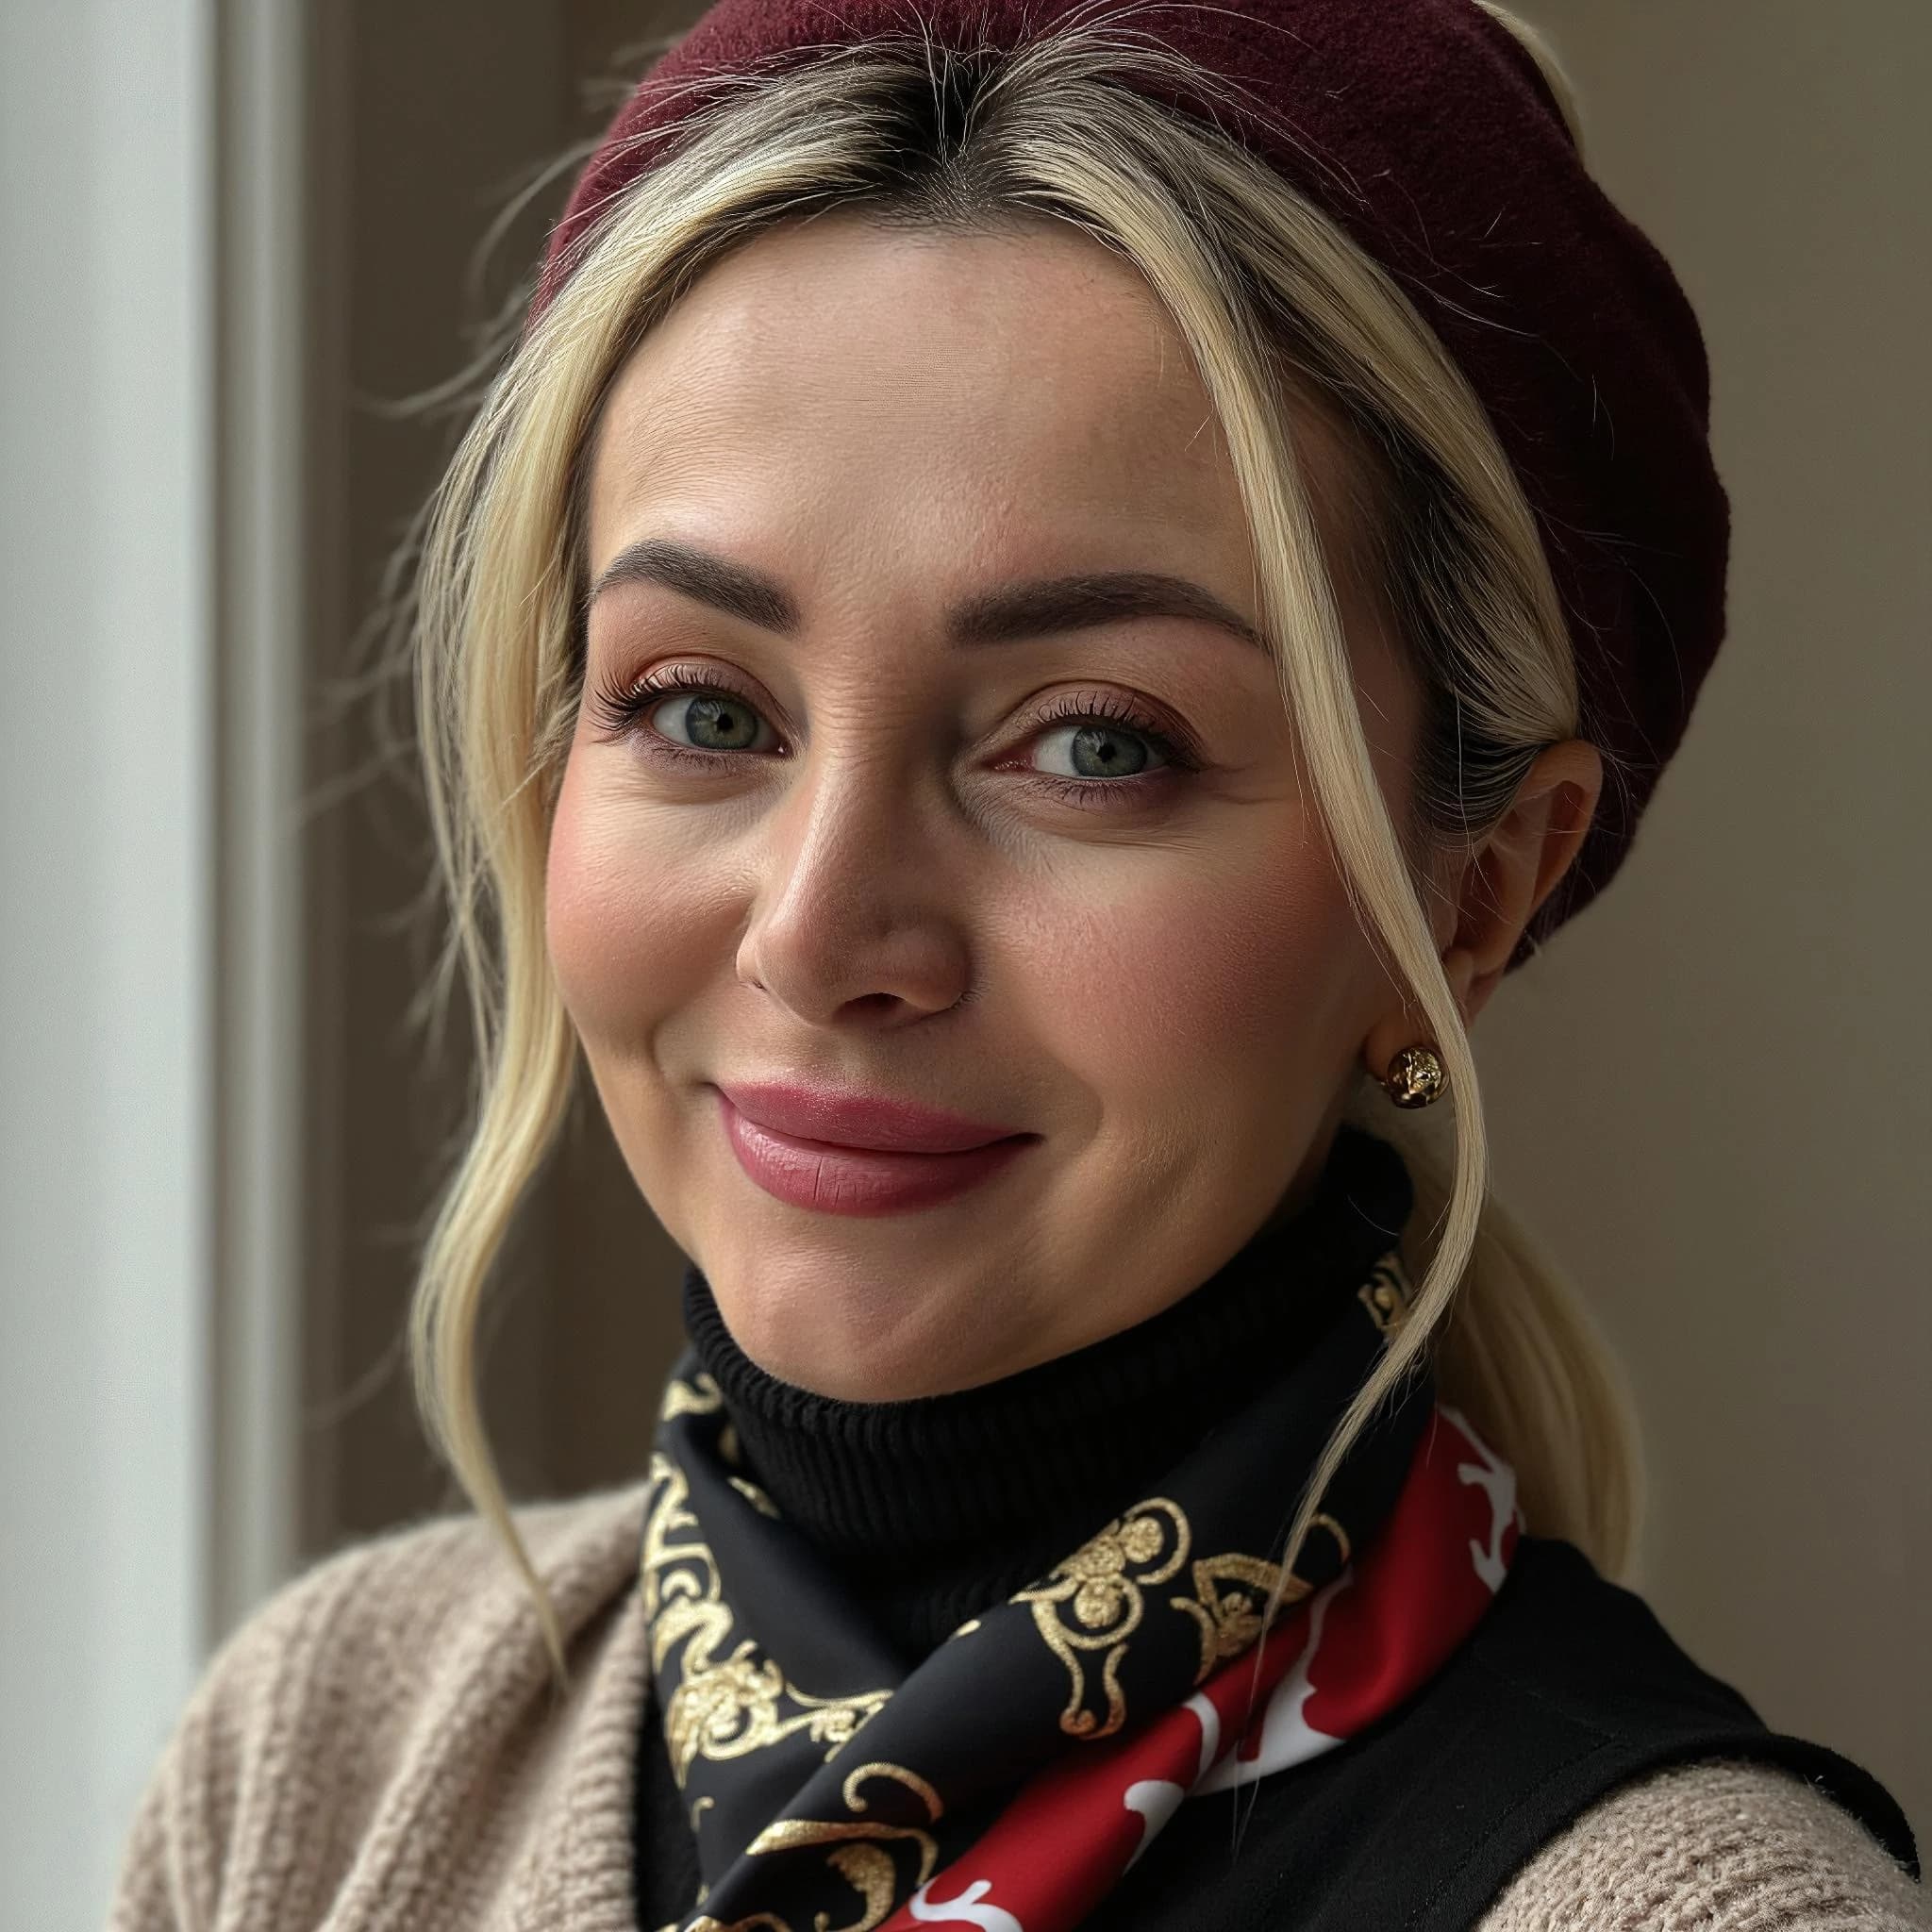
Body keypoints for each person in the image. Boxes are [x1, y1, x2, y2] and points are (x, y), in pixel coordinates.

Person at [108, 3, 1924, 1927]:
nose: (816, 934)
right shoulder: (329, 1754)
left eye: (1093, 743)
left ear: (1469, 897)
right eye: (701, 706)